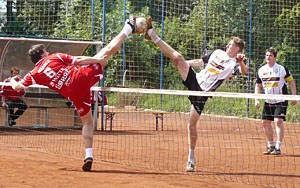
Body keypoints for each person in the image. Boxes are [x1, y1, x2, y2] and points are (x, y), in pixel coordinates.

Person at [10, 16, 145, 172]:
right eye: (45, 50)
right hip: (80, 78)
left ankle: (89, 155)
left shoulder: (33, 74)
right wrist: (97, 60)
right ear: (42, 54)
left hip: (73, 94)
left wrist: (13, 79)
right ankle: (128, 27)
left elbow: (18, 87)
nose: (48, 51)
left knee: (87, 122)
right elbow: (79, 60)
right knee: (105, 53)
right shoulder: (54, 57)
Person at [145, 18, 248, 172]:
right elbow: (200, 62)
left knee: (191, 124)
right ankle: (151, 34)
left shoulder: (234, 64)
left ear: (237, 49)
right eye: (229, 43)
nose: (228, 45)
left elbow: (243, 72)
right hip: (196, 80)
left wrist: (240, 62)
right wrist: (184, 63)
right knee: (178, 57)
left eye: (232, 44)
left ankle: (191, 157)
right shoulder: (217, 52)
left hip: (202, 93)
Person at [255, 47, 297, 155]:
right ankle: (270, 145)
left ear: (275, 57)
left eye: (270, 55)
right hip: (268, 100)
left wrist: (293, 96)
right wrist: (257, 99)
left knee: (278, 121)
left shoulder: (282, 69)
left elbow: (291, 82)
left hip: (281, 99)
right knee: (265, 123)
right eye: (267, 55)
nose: (268, 57)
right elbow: (258, 86)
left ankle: (278, 147)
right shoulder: (261, 70)